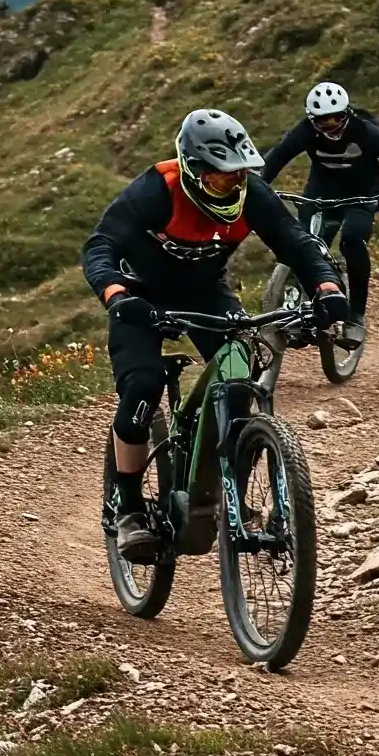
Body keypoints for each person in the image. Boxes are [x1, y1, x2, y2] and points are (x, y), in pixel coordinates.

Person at [83, 109, 349, 559]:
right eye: (223, 179)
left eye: (241, 176)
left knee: (238, 375)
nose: (234, 185)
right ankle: (127, 508)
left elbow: (296, 242)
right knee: (143, 386)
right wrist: (116, 296)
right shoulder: (155, 190)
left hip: (206, 293)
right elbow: (99, 247)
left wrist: (326, 286)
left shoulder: (251, 195)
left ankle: (231, 498)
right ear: (192, 170)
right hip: (140, 299)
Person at [260, 81, 379, 344]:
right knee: (302, 246)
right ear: (312, 120)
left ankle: (355, 316)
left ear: (347, 113)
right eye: (323, 121)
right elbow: (276, 158)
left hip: (363, 195)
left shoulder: (368, 132)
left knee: (352, 240)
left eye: (337, 118)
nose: (331, 126)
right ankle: (299, 306)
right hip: (321, 192)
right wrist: (258, 188)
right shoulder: (304, 132)